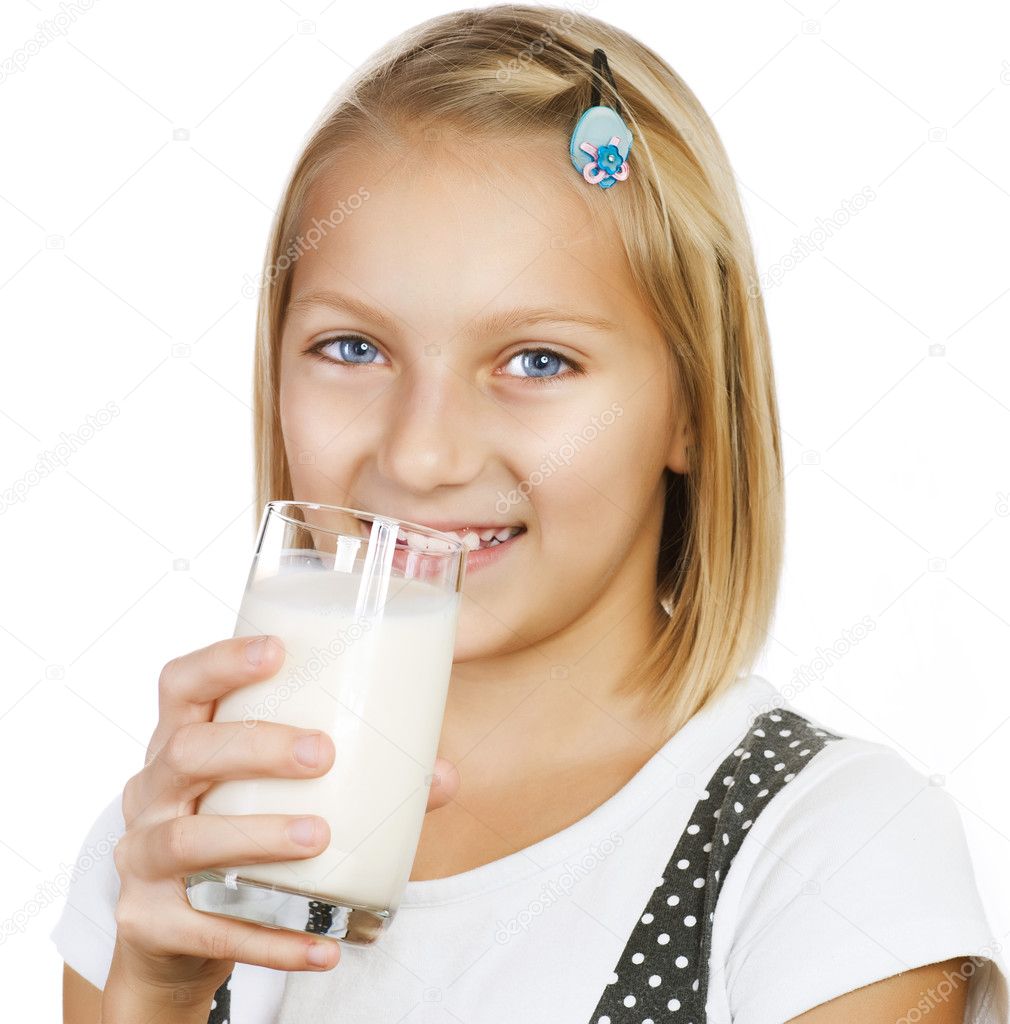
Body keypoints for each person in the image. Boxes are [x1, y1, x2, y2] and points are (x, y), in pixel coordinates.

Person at [53, 5, 1009, 1022]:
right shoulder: (173, 850)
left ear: (692, 405)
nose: (421, 454)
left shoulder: (832, 858)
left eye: (537, 360)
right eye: (352, 347)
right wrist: (150, 998)